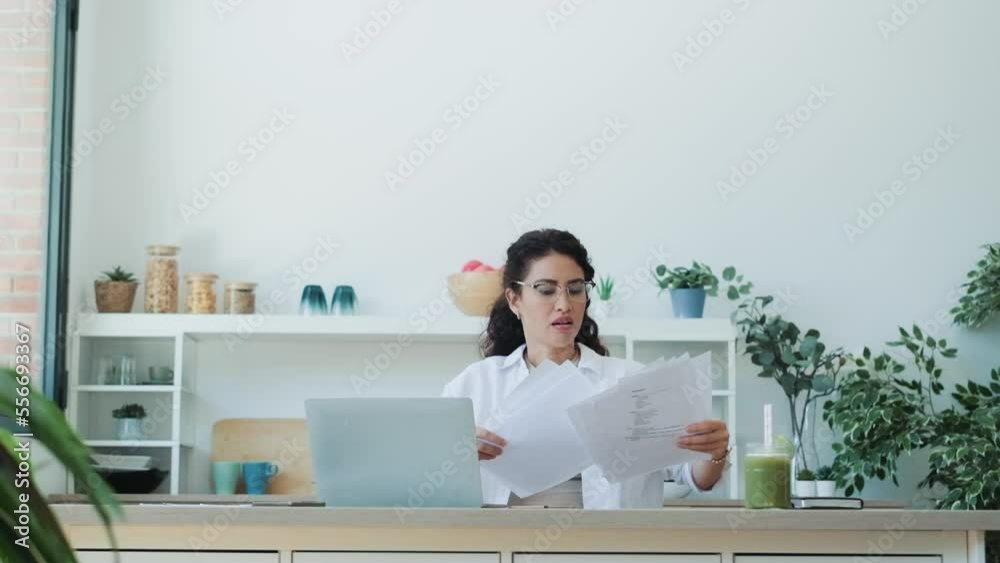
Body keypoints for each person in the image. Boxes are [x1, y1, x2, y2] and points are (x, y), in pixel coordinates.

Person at [442, 228, 731, 508]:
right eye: (546, 290)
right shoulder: (474, 385)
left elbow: (692, 477)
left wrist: (714, 453)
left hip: (609, 547)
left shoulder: (632, 380)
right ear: (514, 300)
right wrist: (458, 455)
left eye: (575, 289)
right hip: (506, 548)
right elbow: (433, 481)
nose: (564, 304)